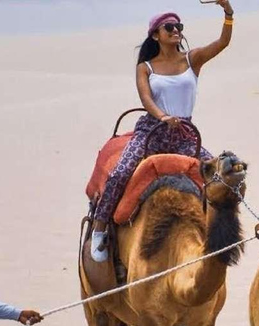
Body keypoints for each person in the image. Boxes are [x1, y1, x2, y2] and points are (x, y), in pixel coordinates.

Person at [91, 2, 234, 263]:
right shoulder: (146, 67)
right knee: (120, 173)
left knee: (220, 176)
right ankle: (100, 227)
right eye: (169, 27)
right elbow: (146, 98)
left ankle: (220, 235)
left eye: (179, 27)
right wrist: (162, 116)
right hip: (152, 132)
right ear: (156, 34)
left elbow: (223, 43)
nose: (176, 30)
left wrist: (228, 13)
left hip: (185, 136)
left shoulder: (192, 59)